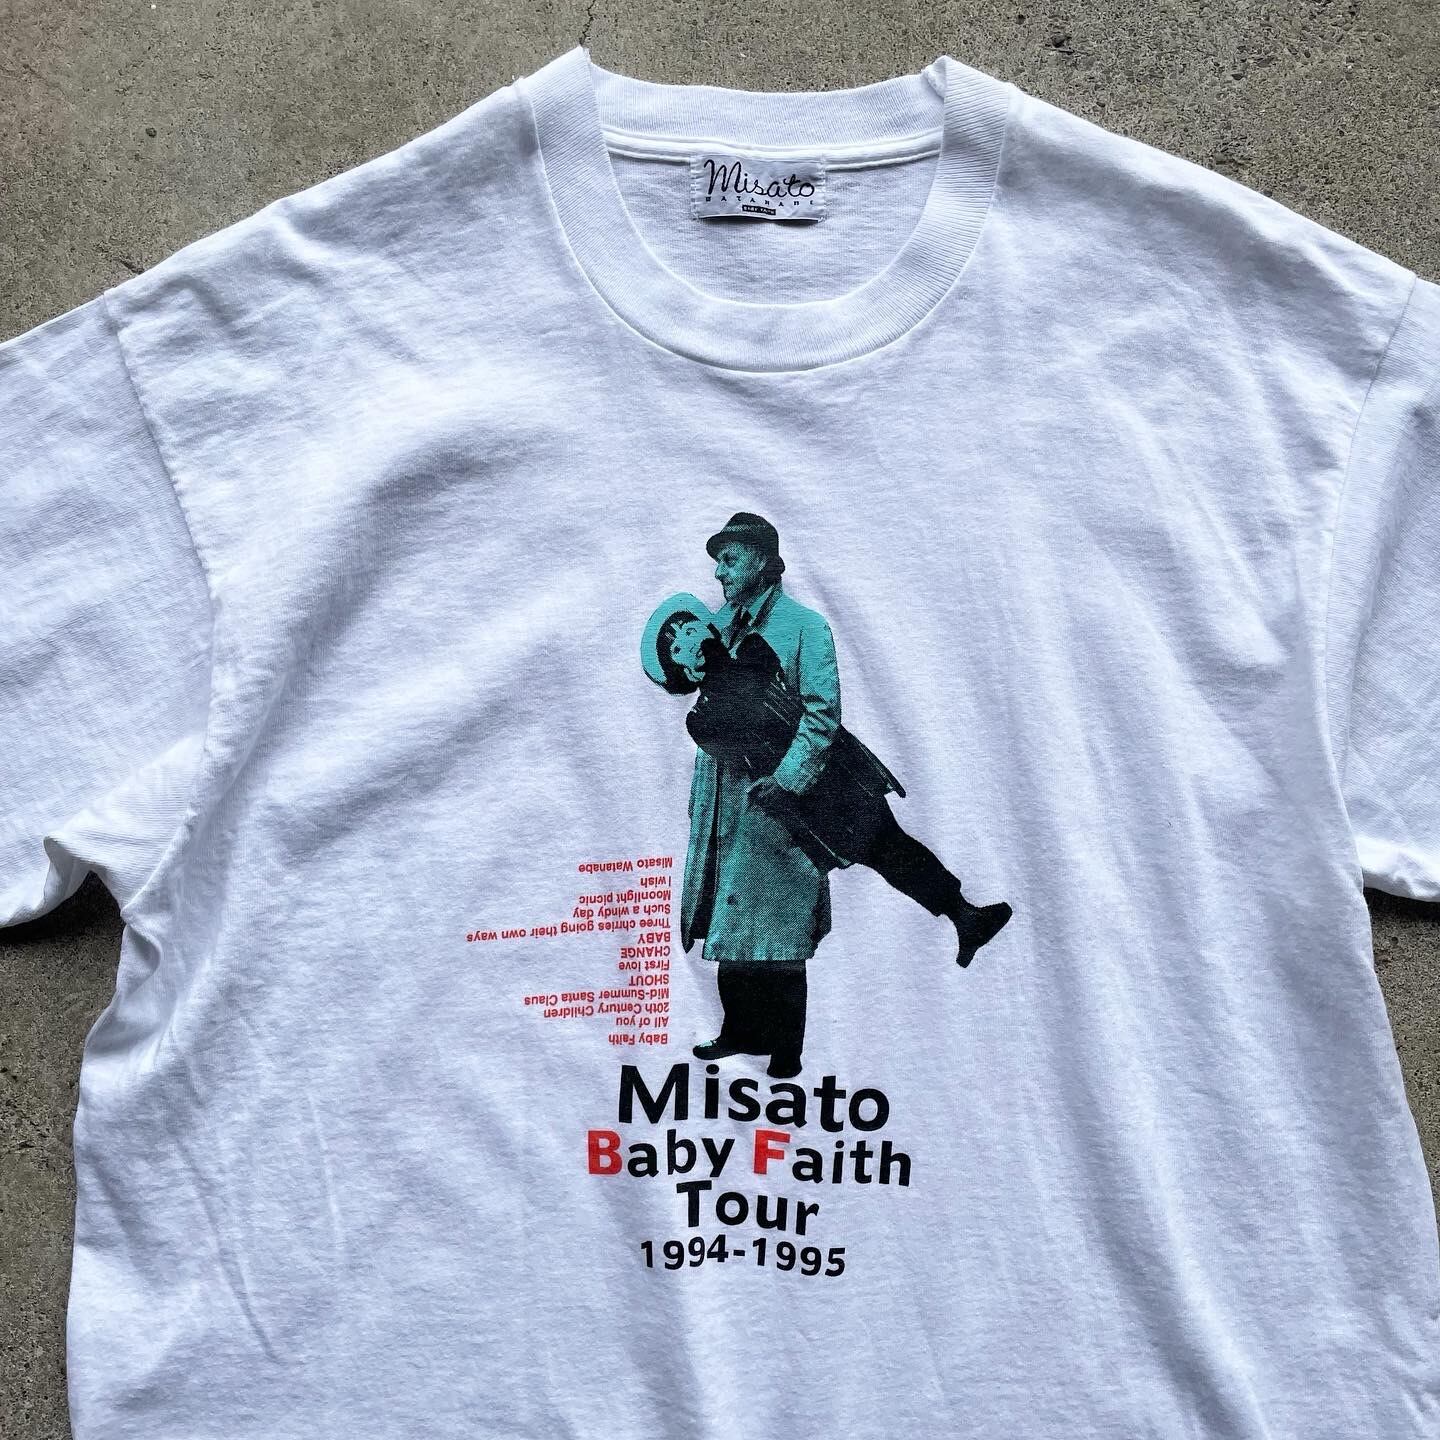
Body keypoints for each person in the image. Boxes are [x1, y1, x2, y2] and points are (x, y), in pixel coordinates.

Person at [639, 513, 1011, 1077]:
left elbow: (821, 714)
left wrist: (788, 778)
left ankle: (963, 916)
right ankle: (741, 1030)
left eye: (729, 560)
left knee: (880, 851)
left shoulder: (803, 627)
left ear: (762, 559)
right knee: (738, 915)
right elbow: (696, 684)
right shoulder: (722, 627)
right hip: (750, 808)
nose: (718, 573)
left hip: (825, 783)